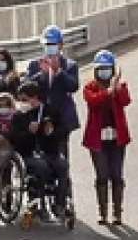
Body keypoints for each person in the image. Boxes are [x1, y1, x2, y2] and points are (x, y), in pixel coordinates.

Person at [82, 49, 131, 225]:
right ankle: (103, 212)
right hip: (97, 139)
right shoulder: (90, 87)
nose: (104, 71)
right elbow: (93, 101)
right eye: (101, 68)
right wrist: (108, 91)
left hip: (117, 138)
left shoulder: (120, 86)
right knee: (102, 174)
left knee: (117, 174)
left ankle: (117, 212)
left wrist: (116, 88)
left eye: (107, 68)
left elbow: (126, 100)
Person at [11, 80, 70, 220]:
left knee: (63, 166)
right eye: (19, 100)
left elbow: (64, 130)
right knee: (41, 167)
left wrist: (51, 133)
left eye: (24, 99)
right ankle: (40, 205)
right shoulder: (19, 115)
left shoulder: (50, 111)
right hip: (28, 154)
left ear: (34, 97)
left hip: (49, 152)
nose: (21, 102)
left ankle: (60, 204)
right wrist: (28, 132)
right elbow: (14, 138)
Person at [24, 24, 80, 159]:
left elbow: (73, 86)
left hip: (62, 117)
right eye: (47, 44)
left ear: (60, 45)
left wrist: (58, 71)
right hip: (41, 116)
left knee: (61, 155)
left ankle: (64, 178)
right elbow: (26, 88)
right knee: (42, 154)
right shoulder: (35, 65)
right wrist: (41, 75)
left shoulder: (70, 65)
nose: (50, 47)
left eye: (53, 44)